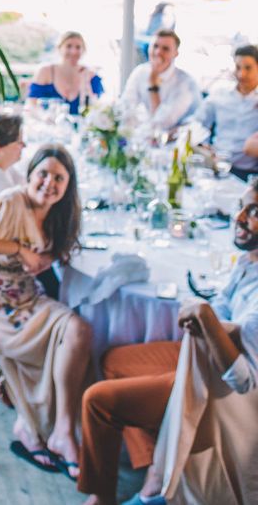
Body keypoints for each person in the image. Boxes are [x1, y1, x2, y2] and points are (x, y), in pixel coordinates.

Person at [78, 180, 258, 505]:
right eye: (243, 206)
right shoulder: (248, 262)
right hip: (196, 359)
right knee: (113, 360)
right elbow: (224, 306)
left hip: (215, 392)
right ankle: (154, 463)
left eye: (254, 211)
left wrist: (204, 315)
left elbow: (245, 382)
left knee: (97, 401)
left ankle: (106, 496)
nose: (240, 217)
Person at [0, 144, 92, 480]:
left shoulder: (60, 215)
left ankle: (63, 430)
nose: (49, 183)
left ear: (68, 186)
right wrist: (18, 249)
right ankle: (31, 425)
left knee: (79, 330)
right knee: (58, 337)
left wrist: (45, 258)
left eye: (58, 178)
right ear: (30, 174)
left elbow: (51, 255)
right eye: (43, 174)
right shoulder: (11, 200)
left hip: (27, 298)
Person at [193, 44, 258, 181]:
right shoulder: (220, 94)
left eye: (248, 68)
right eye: (238, 67)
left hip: (247, 174)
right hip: (215, 165)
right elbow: (198, 122)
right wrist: (203, 145)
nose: (241, 74)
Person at [120, 30, 200, 134]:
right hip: (145, 137)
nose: (158, 52)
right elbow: (126, 108)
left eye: (165, 49)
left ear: (175, 53)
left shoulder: (186, 83)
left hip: (174, 143)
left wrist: (153, 85)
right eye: (155, 46)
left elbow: (161, 123)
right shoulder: (140, 72)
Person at [28, 31, 104, 115]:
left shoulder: (91, 75)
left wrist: (85, 82)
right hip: (49, 126)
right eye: (69, 46)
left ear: (83, 50)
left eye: (78, 47)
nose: (73, 51)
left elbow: (97, 109)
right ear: (60, 48)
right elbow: (31, 105)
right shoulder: (45, 71)